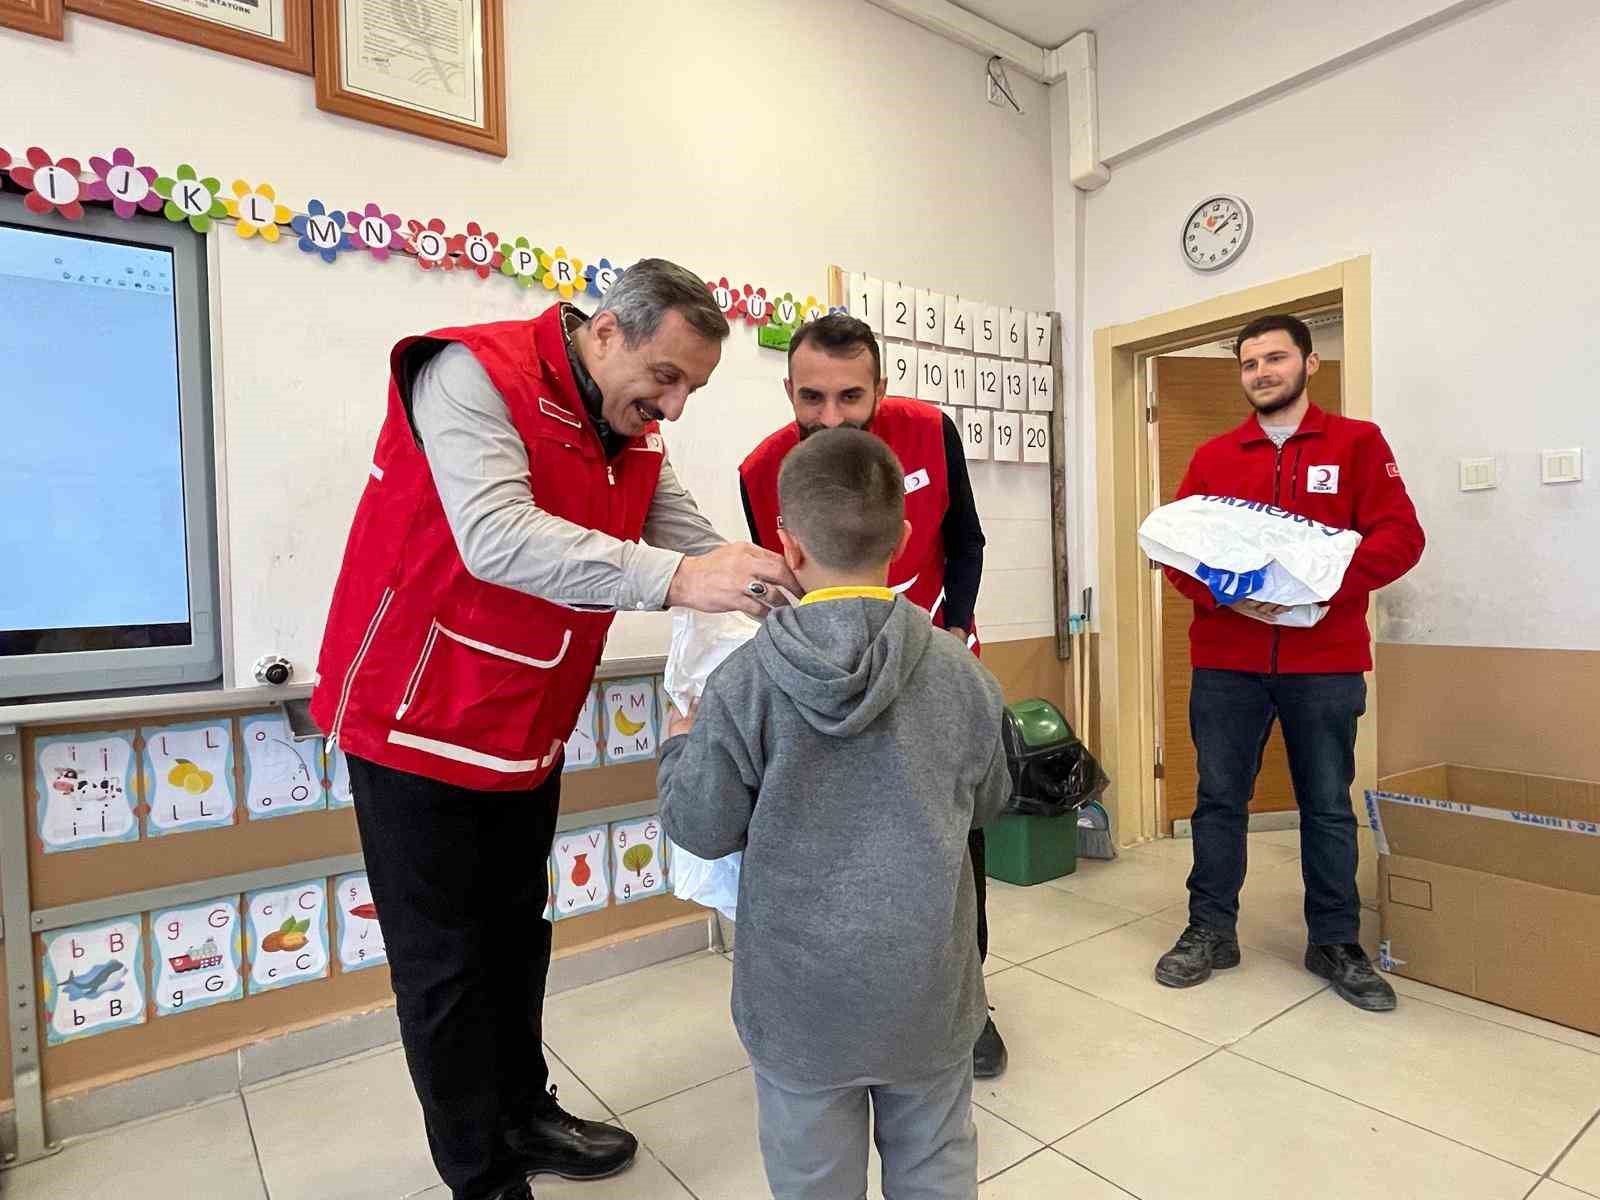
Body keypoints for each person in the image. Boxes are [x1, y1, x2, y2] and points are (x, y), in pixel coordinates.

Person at [308, 259, 799, 1200]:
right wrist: (677, 582)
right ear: (605, 329)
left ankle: (524, 1111)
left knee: (516, 937)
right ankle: (482, 1176)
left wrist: (786, 584)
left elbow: (683, 532)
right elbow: (496, 534)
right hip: (417, 723)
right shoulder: (472, 376)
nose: (676, 406)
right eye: (667, 377)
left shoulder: (630, 424)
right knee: (446, 969)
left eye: (693, 387)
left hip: (524, 724)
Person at [659, 428, 1010, 1200]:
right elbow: (989, 801)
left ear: (786, 543)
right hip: (928, 988)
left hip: (798, 1006)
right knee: (938, 1167)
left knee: (812, 1178)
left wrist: (678, 746)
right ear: (907, 537)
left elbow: (702, 825)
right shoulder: (963, 676)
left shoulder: (742, 683)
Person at [737, 312, 1010, 1078]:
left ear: (880, 388)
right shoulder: (761, 470)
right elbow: (780, 578)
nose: (831, 417)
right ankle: (837, 1003)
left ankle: (969, 1002)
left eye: (850, 396)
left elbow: (967, 540)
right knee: (849, 849)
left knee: (954, 842)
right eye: (811, 398)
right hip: (827, 676)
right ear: (788, 390)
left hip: (931, 657)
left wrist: (954, 628)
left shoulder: (929, 430)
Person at [1153, 313, 1424, 1011]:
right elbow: (1177, 551)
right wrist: (1229, 598)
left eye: (1275, 358)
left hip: (1324, 662)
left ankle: (1334, 941)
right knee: (1217, 800)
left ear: (1310, 365)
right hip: (1226, 660)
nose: (1262, 372)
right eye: (1249, 363)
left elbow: (1400, 536)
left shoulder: (1357, 445)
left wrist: (1316, 585)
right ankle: (1210, 929)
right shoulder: (1215, 458)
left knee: (1327, 806)